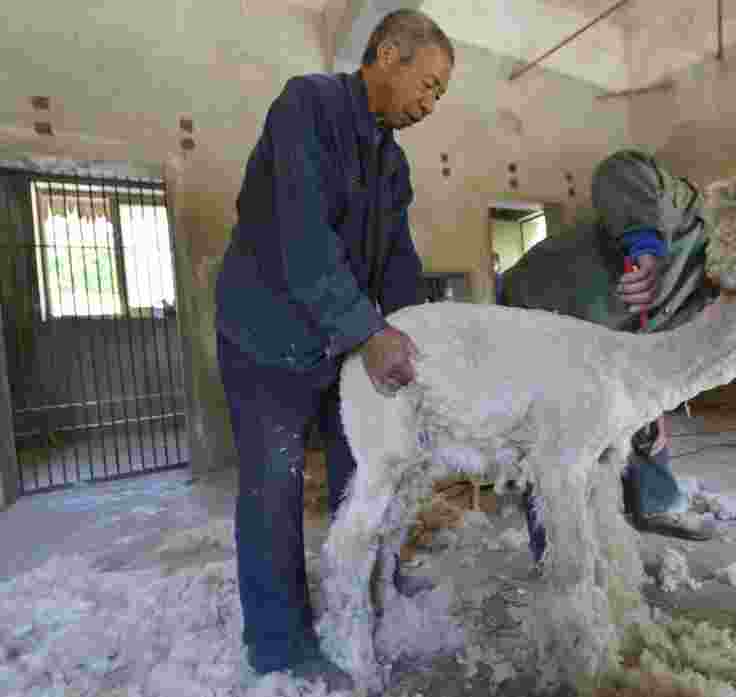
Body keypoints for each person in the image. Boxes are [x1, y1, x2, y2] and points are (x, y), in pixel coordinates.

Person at [214, 10, 453, 688]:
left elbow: (398, 262)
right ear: (388, 53)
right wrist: (369, 333)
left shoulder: (392, 163)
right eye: (429, 85)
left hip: (334, 339)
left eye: (440, 96)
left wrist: (422, 337)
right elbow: (303, 240)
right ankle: (280, 642)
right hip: (265, 335)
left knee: (365, 467)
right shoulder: (307, 106)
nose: (430, 105)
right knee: (275, 483)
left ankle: (375, 580)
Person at [500, 149, 719, 561]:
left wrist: (656, 405)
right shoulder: (689, 213)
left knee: (642, 412)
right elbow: (621, 167)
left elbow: (659, 344)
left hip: (611, 334)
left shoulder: (717, 294)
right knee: (552, 430)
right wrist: (645, 245)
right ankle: (557, 548)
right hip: (541, 304)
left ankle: (656, 503)